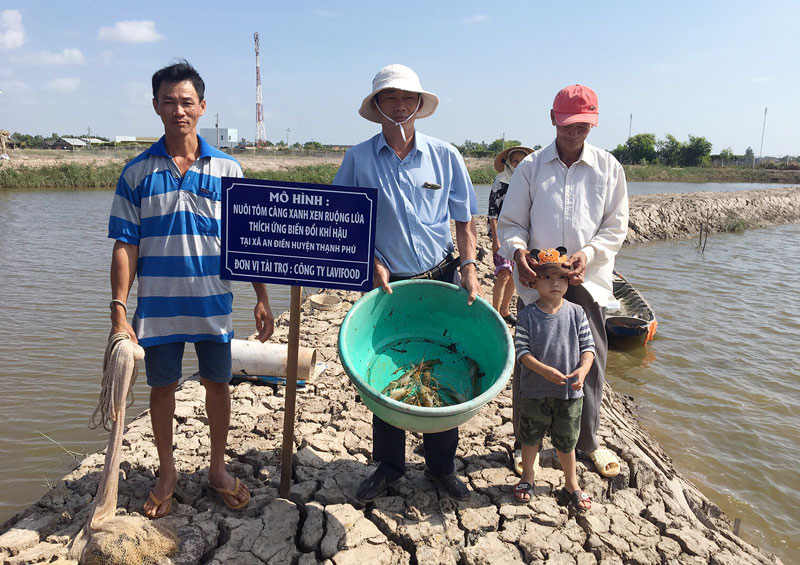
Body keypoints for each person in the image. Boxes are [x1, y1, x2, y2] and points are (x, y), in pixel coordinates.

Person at [108, 60, 275, 519]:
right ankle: (167, 473)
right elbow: (126, 244)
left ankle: (217, 468)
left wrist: (262, 298)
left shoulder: (229, 170)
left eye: (187, 102)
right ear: (156, 106)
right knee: (161, 389)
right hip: (157, 309)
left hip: (213, 305)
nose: (178, 110)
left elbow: (250, 242)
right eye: (169, 101)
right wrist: (119, 308)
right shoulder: (137, 173)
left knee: (217, 385)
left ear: (202, 107)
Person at [333, 64, 481, 503]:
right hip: (386, 283)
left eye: (407, 98)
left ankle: (441, 466)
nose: (400, 105)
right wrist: (369, 259)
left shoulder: (445, 156)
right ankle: (391, 466)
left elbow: (465, 218)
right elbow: (344, 218)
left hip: (439, 277)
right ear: (377, 107)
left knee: (445, 363)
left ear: (419, 105)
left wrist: (470, 266)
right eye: (390, 98)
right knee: (387, 373)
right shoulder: (357, 159)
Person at [498, 84, 628, 478]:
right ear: (553, 119)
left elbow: (614, 227)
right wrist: (519, 252)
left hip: (586, 282)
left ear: (594, 123)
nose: (575, 133)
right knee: (530, 363)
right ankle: (528, 444)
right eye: (569, 125)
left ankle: (586, 442)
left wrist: (586, 255)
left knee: (590, 361)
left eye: (584, 126)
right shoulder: (531, 167)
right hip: (540, 282)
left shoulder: (609, 168)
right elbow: (512, 223)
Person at [513, 248, 595, 510]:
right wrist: (543, 370)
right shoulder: (526, 315)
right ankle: (528, 476)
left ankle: (571, 483)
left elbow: (588, 349)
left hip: (569, 393)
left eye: (561, 277)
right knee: (530, 437)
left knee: (567, 440)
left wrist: (582, 371)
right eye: (547, 277)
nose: (555, 283)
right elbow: (522, 353)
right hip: (534, 390)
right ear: (533, 281)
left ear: (569, 280)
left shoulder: (577, 313)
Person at [488, 146, 533, 326]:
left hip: (521, 233)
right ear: (508, 163)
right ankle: (495, 313)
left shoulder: (528, 181)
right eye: (515, 161)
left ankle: (505, 310)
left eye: (522, 161)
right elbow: (492, 212)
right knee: (504, 272)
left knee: (515, 272)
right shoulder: (501, 181)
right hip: (501, 232)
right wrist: (496, 239)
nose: (518, 164)